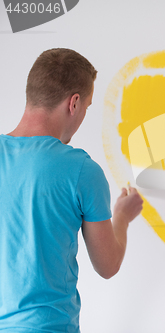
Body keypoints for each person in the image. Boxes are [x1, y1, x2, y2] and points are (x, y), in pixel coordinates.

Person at [0, 48, 143, 332]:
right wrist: (122, 218)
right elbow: (107, 265)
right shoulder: (81, 170)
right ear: (74, 103)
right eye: (87, 107)